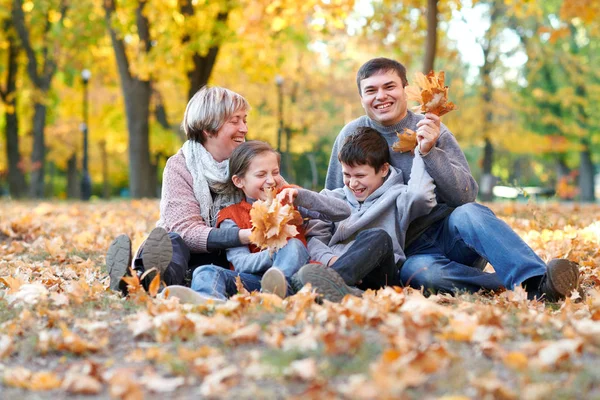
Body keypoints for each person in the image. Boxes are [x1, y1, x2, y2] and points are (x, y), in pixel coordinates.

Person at [323, 57, 580, 301]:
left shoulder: (430, 126)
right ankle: (509, 284)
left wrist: (430, 152)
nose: (381, 96)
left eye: (389, 86)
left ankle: (540, 280)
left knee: (470, 213)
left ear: (405, 89)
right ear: (361, 97)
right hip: (408, 252)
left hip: (451, 234)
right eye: (371, 90)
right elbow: (335, 200)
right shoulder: (352, 134)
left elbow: (465, 195)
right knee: (423, 274)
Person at [106, 86, 256, 301]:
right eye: (235, 121)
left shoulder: (253, 163)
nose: (244, 128)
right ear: (208, 128)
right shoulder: (180, 165)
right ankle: (147, 278)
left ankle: (136, 284)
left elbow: (282, 198)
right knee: (172, 240)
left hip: (230, 258)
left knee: (233, 259)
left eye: (245, 120)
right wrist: (240, 235)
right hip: (185, 254)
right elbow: (185, 229)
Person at [189, 140, 352, 300]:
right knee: (205, 271)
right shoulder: (231, 216)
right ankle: (209, 301)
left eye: (275, 172)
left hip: (296, 278)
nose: (271, 180)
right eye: (261, 174)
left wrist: (301, 196)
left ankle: (275, 291)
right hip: (254, 283)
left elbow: (342, 212)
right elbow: (241, 263)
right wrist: (273, 254)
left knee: (292, 244)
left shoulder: (289, 198)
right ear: (239, 181)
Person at [296, 127, 437, 302]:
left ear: (384, 169)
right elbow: (315, 240)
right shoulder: (332, 198)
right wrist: (331, 259)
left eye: (360, 175)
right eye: (346, 175)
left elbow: (421, 196)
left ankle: (325, 284)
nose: (353, 183)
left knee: (378, 236)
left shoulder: (398, 196)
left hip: (379, 276)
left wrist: (421, 152)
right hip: (337, 265)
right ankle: (344, 290)